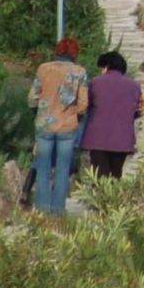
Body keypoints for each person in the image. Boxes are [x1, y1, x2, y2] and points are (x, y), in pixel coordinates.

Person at [28, 37, 89, 215]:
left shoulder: (43, 68)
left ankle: (41, 210)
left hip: (45, 124)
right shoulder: (79, 72)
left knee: (43, 166)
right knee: (63, 168)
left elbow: (32, 98)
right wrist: (73, 113)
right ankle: (57, 211)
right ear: (75, 54)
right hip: (67, 127)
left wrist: (39, 112)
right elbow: (84, 104)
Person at [84, 50, 143, 180]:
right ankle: (113, 199)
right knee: (116, 175)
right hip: (122, 139)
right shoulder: (134, 86)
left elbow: (85, 106)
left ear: (106, 67)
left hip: (98, 138)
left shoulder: (95, 83)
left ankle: (99, 199)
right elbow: (138, 111)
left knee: (99, 176)